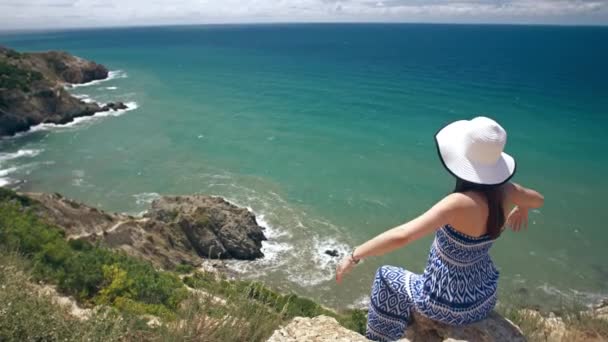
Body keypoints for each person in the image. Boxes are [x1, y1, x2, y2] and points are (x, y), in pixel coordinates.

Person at [335, 117, 544, 342]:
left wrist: (354, 255)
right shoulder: (508, 192)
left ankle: (380, 338)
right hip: (483, 298)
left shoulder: (457, 203)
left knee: (385, 277)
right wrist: (522, 208)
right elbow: (537, 200)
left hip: (446, 303)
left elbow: (402, 236)